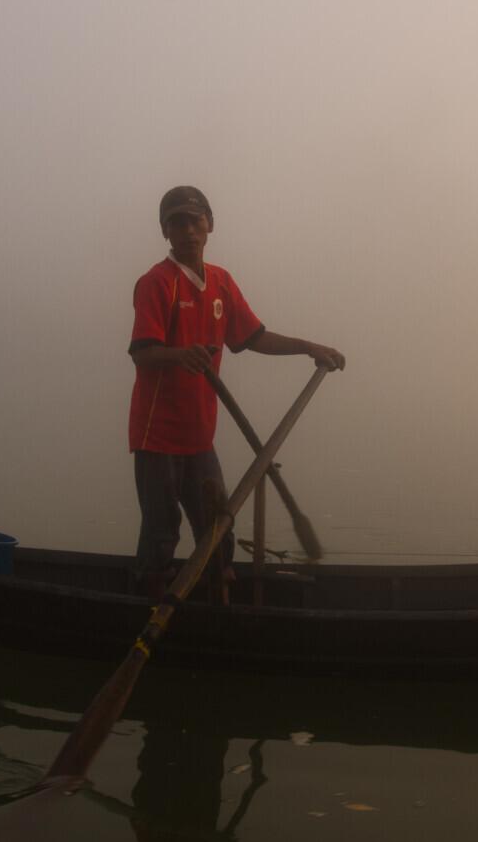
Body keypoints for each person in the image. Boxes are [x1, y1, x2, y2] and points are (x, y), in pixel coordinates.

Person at [128, 186, 344, 596]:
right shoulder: (157, 283)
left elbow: (254, 337)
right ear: (165, 231)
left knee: (218, 528)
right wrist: (180, 355)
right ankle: (151, 604)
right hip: (157, 435)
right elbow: (142, 352)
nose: (188, 231)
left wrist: (308, 347)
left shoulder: (222, 283)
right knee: (161, 531)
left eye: (196, 221)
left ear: (210, 224)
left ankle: (220, 599)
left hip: (199, 436)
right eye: (177, 223)